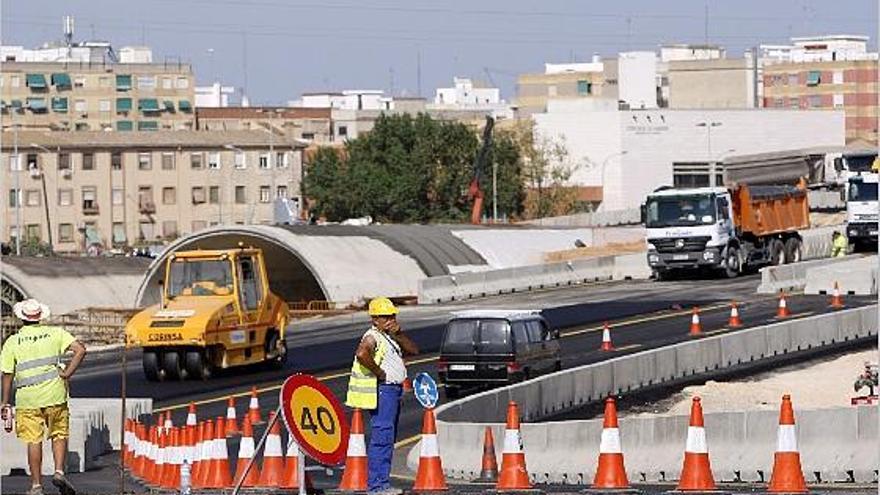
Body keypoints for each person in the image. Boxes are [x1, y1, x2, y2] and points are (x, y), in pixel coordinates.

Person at [1, 299, 87, 495]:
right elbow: (80, 350)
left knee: (33, 440)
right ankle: (58, 472)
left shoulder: (13, 341)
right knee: (59, 434)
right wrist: (67, 373)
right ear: (40, 317)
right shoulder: (55, 333)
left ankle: (36, 485)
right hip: (55, 395)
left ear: (22, 318)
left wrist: (5, 401)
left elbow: (7, 374)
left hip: (27, 398)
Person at [345, 297, 418, 495]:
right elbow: (362, 353)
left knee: (387, 438)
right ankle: (377, 486)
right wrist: (379, 373)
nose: (390, 320)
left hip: (393, 391)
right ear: (374, 319)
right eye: (385, 317)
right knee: (382, 437)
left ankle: (382, 483)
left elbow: (413, 350)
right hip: (384, 390)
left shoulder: (391, 336)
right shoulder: (373, 336)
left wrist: (399, 334)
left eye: (392, 316)